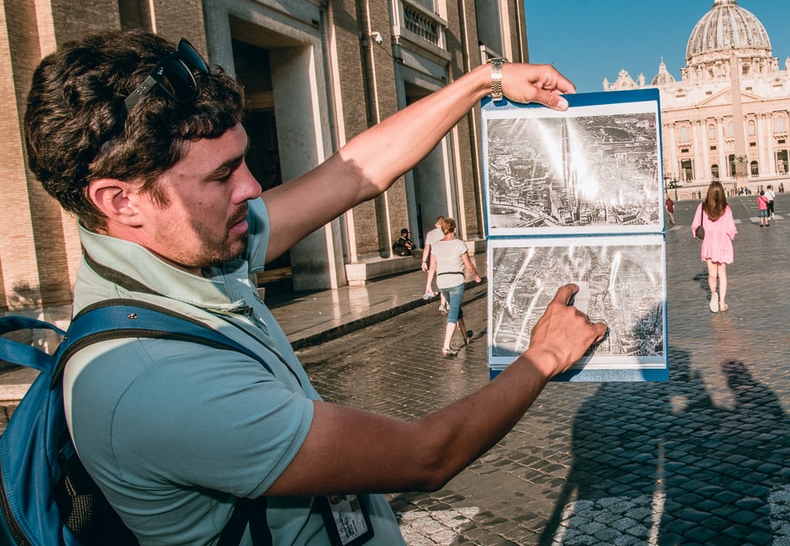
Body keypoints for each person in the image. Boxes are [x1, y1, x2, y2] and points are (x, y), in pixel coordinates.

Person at [21, 29, 607, 544]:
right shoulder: (154, 381)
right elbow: (428, 456)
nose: (252, 188)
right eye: (223, 174)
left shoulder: (180, 246)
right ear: (120, 200)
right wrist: (544, 356)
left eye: (242, 160)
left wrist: (488, 81)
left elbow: (351, 176)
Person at [424, 218, 481, 356]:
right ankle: (446, 346)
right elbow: (468, 265)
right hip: (456, 280)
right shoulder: (459, 244)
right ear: (454, 229)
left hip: (442, 281)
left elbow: (432, 267)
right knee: (453, 311)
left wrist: (428, 286)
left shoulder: (436, 246)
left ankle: (465, 336)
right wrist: (476, 275)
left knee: (455, 308)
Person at [691, 180, 736, 313]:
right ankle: (722, 303)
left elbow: (695, 226)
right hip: (723, 244)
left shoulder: (702, 208)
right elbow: (731, 228)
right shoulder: (726, 209)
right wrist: (731, 235)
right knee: (722, 274)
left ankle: (713, 294)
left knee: (711, 275)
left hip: (709, 244)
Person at [421, 215, 446, 306]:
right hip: (445, 258)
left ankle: (428, 288)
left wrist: (423, 261)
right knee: (445, 281)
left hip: (433, 257)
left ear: (436, 224)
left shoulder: (430, 234)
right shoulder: (446, 232)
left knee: (436, 276)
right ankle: (444, 303)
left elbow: (426, 248)